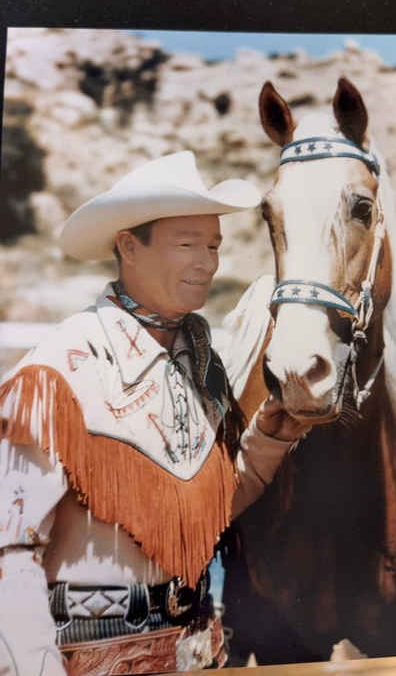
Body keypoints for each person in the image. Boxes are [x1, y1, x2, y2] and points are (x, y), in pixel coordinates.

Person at [0, 151, 311, 675]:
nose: (207, 263)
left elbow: (200, 518)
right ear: (128, 246)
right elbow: (9, 552)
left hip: (198, 650)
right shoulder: (56, 373)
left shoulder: (200, 364)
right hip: (90, 658)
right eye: (187, 244)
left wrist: (267, 442)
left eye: (213, 246)